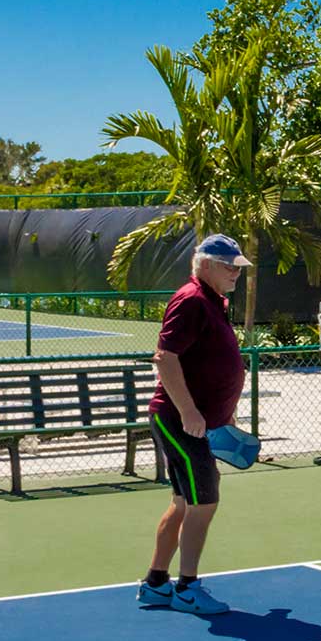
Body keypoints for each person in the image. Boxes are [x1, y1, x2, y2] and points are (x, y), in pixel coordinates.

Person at [136, 234, 250, 615]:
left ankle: (155, 585)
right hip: (180, 421)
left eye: (238, 266)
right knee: (205, 501)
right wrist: (188, 411)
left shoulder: (214, 301)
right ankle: (187, 588)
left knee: (185, 503)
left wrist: (224, 413)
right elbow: (166, 358)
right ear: (203, 263)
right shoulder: (191, 299)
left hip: (200, 422)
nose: (235, 272)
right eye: (227, 265)